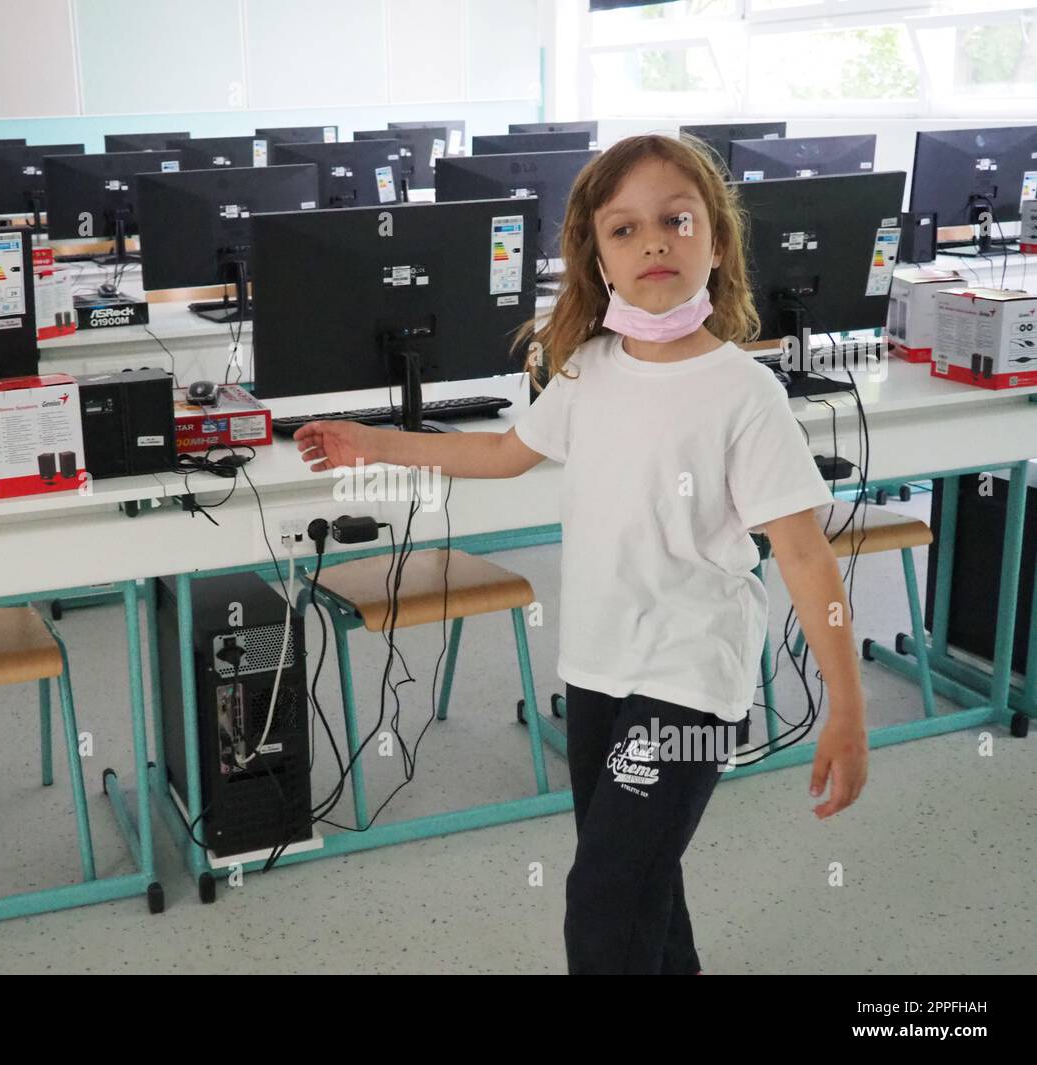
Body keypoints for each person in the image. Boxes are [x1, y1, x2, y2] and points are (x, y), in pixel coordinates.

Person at [293, 133, 869, 974]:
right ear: (596, 257)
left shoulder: (745, 392)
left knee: (602, 908)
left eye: (676, 219)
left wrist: (847, 709)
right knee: (642, 882)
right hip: (598, 666)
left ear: (717, 237)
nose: (655, 243)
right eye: (624, 230)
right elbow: (502, 454)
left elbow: (806, 557)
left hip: (691, 682)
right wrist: (373, 442)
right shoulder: (590, 368)